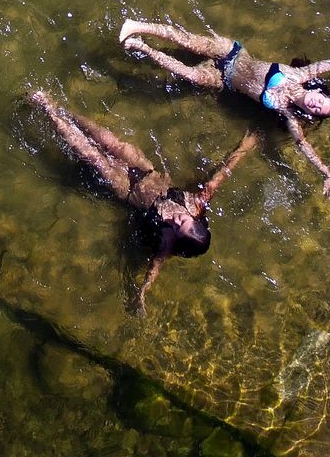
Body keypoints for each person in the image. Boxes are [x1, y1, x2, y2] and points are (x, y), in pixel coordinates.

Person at [28, 90, 259, 314]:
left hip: (126, 189)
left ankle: (47, 109)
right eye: (185, 221)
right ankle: (65, 109)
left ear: (178, 239)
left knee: (93, 157)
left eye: (178, 228)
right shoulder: (197, 202)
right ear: (195, 218)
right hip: (146, 170)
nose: (177, 220)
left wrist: (142, 293)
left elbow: (155, 268)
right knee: (107, 139)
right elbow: (221, 175)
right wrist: (243, 148)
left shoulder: (167, 242)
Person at [117, 19, 330, 198]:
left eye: (319, 111)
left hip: (223, 80)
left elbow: (304, 147)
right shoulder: (302, 74)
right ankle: (138, 26)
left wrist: (325, 172)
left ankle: (143, 48)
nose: (317, 105)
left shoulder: (289, 115)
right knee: (188, 40)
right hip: (232, 53)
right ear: (318, 90)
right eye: (322, 101)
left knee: (189, 75)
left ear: (311, 114)